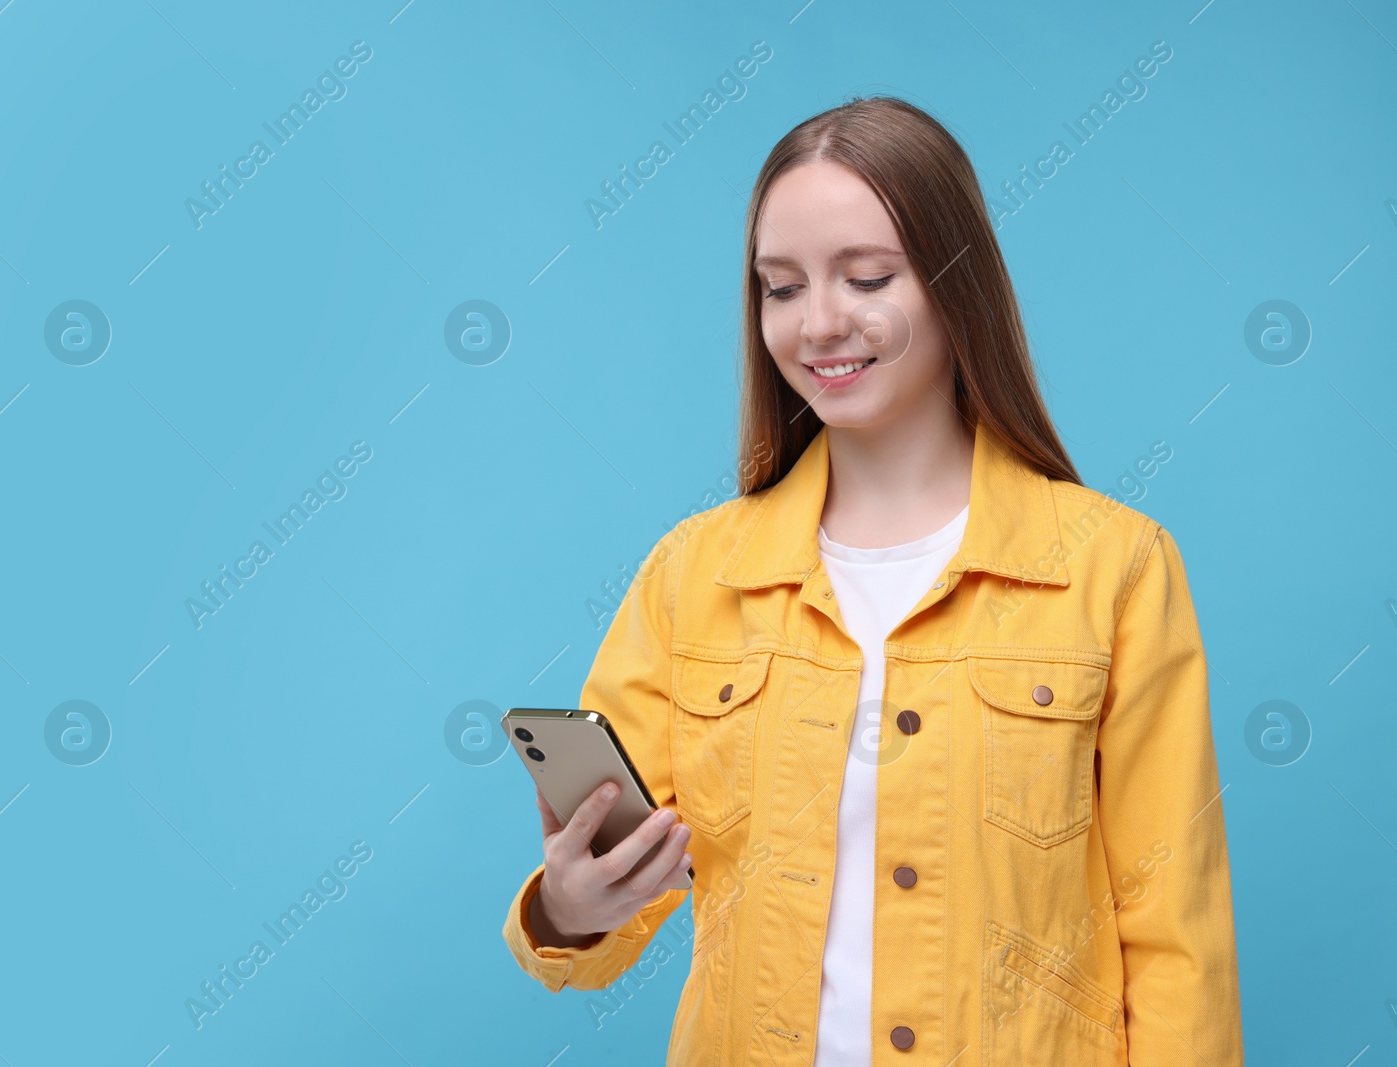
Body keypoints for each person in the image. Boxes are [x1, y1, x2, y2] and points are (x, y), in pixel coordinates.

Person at [500, 95, 1243, 1066]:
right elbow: (603, 914)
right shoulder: (693, 575)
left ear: (953, 281)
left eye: (865, 277)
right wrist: (569, 904)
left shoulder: (1115, 567)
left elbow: (1173, 927)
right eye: (780, 286)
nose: (818, 324)